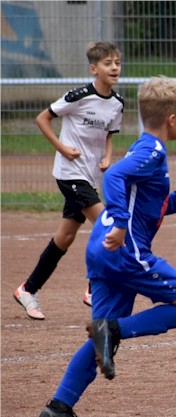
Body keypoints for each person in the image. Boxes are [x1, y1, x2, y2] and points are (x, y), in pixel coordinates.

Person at [37, 76, 176, 417]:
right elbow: (113, 177)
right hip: (125, 251)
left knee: (99, 341)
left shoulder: (143, 146)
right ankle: (114, 329)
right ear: (172, 119)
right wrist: (119, 221)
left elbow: (148, 203)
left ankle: (59, 408)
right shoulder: (153, 151)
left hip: (103, 250)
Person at [13, 41, 124, 319]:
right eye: (108, 63)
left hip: (89, 176)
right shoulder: (78, 96)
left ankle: (28, 289)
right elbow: (42, 119)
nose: (114, 68)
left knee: (65, 237)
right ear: (93, 69)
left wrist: (107, 157)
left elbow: (109, 135)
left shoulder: (117, 104)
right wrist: (62, 148)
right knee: (108, 225)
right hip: (69, 173)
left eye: (117, 63)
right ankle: (94, 288)